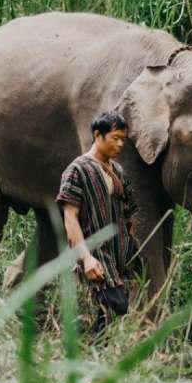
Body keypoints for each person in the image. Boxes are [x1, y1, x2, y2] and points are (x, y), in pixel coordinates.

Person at [57, 111, 139, 333]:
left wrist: (131, 247)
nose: (121, 144)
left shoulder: (117, 170)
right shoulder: (77, 170)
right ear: (97, 135)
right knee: (109, 309)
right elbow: (70, 219)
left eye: (123, 139)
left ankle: (106, 361)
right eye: (115, 138)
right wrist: (86, 258)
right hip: (95, 255)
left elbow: (129, 211)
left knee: (115, 316)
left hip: (119, 257)